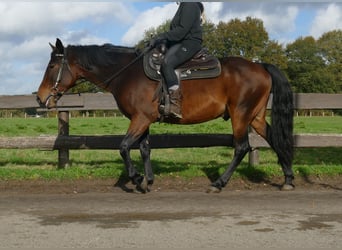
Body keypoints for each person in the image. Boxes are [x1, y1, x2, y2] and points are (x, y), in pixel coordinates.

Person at [150, 2, 204, 119]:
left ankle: (175, 104)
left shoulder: (189, 5)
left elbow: (181, 32)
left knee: (167, 64)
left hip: (189, 42)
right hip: (180, 42)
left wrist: (161, 36)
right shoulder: (184, 5)